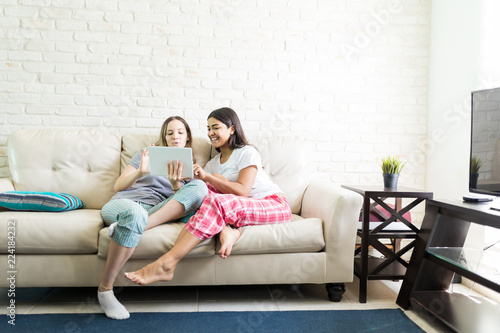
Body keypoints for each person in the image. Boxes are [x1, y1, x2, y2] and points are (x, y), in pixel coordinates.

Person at [124, 107, 292, 286]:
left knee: (213, 194)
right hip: (237, 212)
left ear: (232, 129)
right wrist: (188, 183)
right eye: (208, 128)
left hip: (272, 204)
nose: (210, 133)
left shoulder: (246, 152)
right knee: (201, 192)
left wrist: (209, 177)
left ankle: (167, 263)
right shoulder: (212, 164)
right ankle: (226, 229)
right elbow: (204, 199)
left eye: (216, 127)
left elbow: (243, 191)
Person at [98, 116, 208, 320]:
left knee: (200, 188)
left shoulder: (189, 167)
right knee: (135, 213)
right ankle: (105, 290)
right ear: (164, 137)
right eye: (170, 133)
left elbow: (182, 206)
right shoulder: (145, 154)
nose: (175, 137)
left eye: (180, 132)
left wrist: (176, 185)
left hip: (155, 210)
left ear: (187, 137)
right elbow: (118, 186)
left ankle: (129, 226)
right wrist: (140, 172)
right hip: (124, 203)